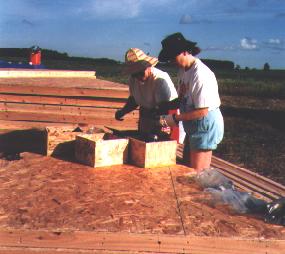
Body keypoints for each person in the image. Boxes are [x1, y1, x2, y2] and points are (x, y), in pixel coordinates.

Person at [156, 32, 224, 172]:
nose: (171, 62)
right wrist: (165, 106)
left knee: (198, 173)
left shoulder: (200, 75)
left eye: (172, 57)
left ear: (185, 51)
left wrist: (174, 118)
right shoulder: (183, 70)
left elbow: (202, 111)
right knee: (188, 168)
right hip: (192, 124)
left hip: (204, 124)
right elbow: (183, 98)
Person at [115, 48, 178, 140]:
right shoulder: (133, 79)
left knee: (162, 146)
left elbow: (163, 107)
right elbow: (133, 100)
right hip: (146, 115)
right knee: (142, 146)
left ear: (148, 66)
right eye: (134, 74)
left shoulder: (159, 79)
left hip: (166, 115)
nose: (138, 76)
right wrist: (122, 112)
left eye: (140, 72)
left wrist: (153, 123)